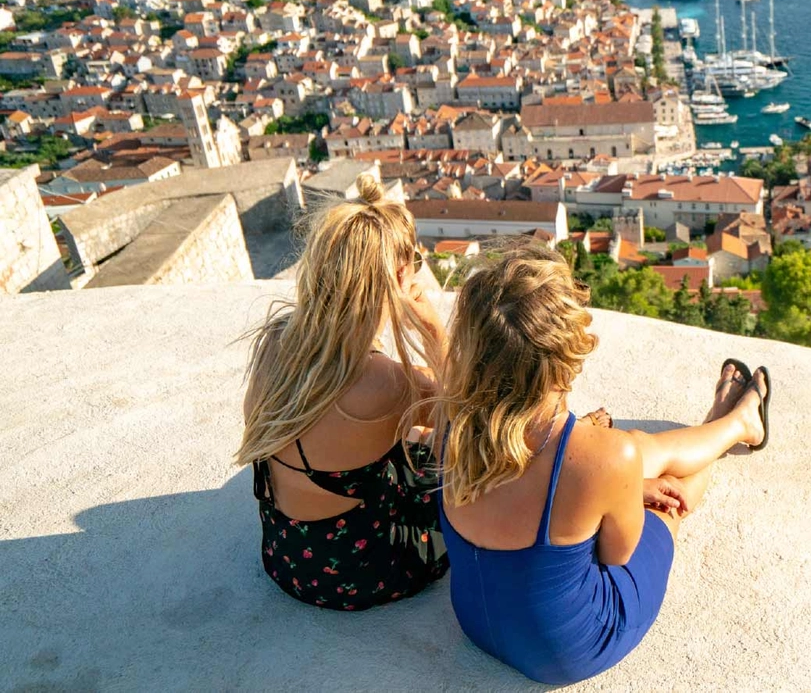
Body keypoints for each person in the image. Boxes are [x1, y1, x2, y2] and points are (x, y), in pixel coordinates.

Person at [436, 240, 772, 684]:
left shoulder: (450, 422)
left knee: (621, 452)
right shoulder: (606, 457)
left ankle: (730, 424)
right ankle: (730, 422)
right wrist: (627, 489)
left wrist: (615, 482)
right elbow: (616, 556)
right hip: (564, 649)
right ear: (570, 351)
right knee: (666, 501)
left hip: (476, 622)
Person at [235, 175, 450, 611]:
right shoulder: (387, 382)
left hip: (287, 557)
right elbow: (469, 413)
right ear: (399, 275)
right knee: (456, 462)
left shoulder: (276, 342)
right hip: (362, 572)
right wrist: (433, 331)